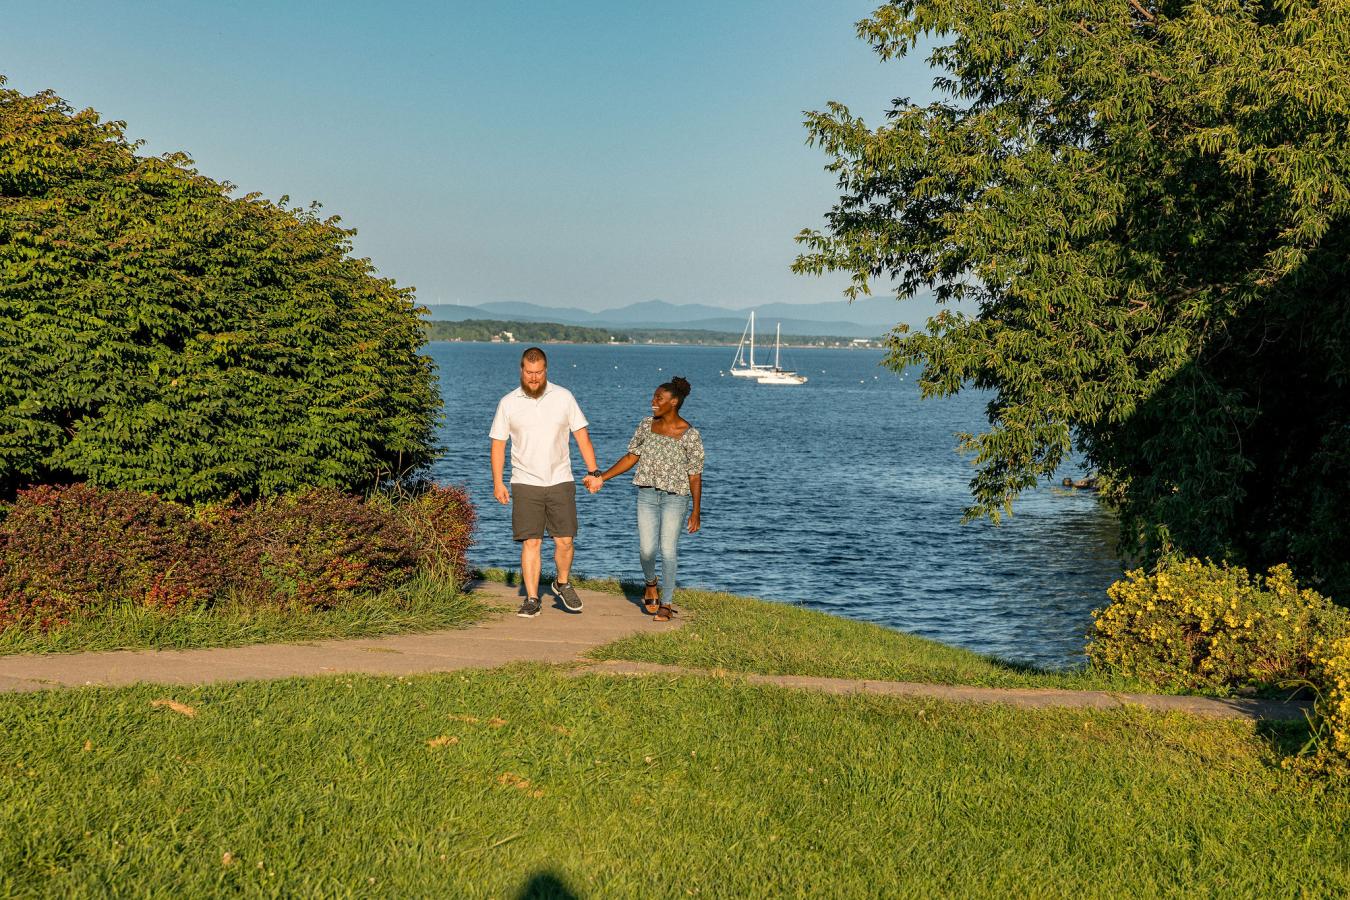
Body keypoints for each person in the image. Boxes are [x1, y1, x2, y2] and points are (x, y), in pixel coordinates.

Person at [489, 346, 601, 618]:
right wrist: (498, 482)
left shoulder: (564, 397)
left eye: (538, 373)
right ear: (521, 370)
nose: (534, 378)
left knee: (565, 541)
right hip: (525, 482)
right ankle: (531, 598)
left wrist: (595, 472)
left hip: (560, 479)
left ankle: (562, 583)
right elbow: (498, 445)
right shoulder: (508, 402)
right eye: (529, 372)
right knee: (532, 542)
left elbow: (581, 436)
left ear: (546, 370)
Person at [584, 376, 703, 622]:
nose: (653, 402)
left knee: (668, 551)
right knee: (647, 550)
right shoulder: (646, 425)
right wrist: (602, 478)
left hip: (676, 498)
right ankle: (651, 583)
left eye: (659, 398)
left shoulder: (690, 435)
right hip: (647, 493)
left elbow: (695, 476)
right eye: (653, 397)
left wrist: (696, 511)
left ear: (674, 402)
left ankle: (667, 604)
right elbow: (631, 457)